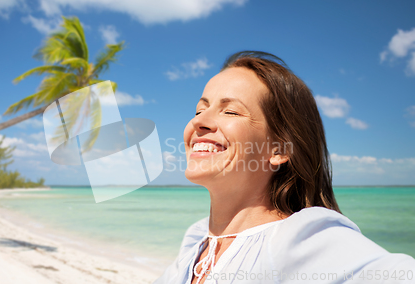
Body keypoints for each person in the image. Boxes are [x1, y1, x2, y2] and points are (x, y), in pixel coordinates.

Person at [153, 51, 415, 284]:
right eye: (200, 110)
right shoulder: (198, 239)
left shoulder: (298, 239)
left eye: (230, 112)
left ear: (279, 149)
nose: (200, 122)